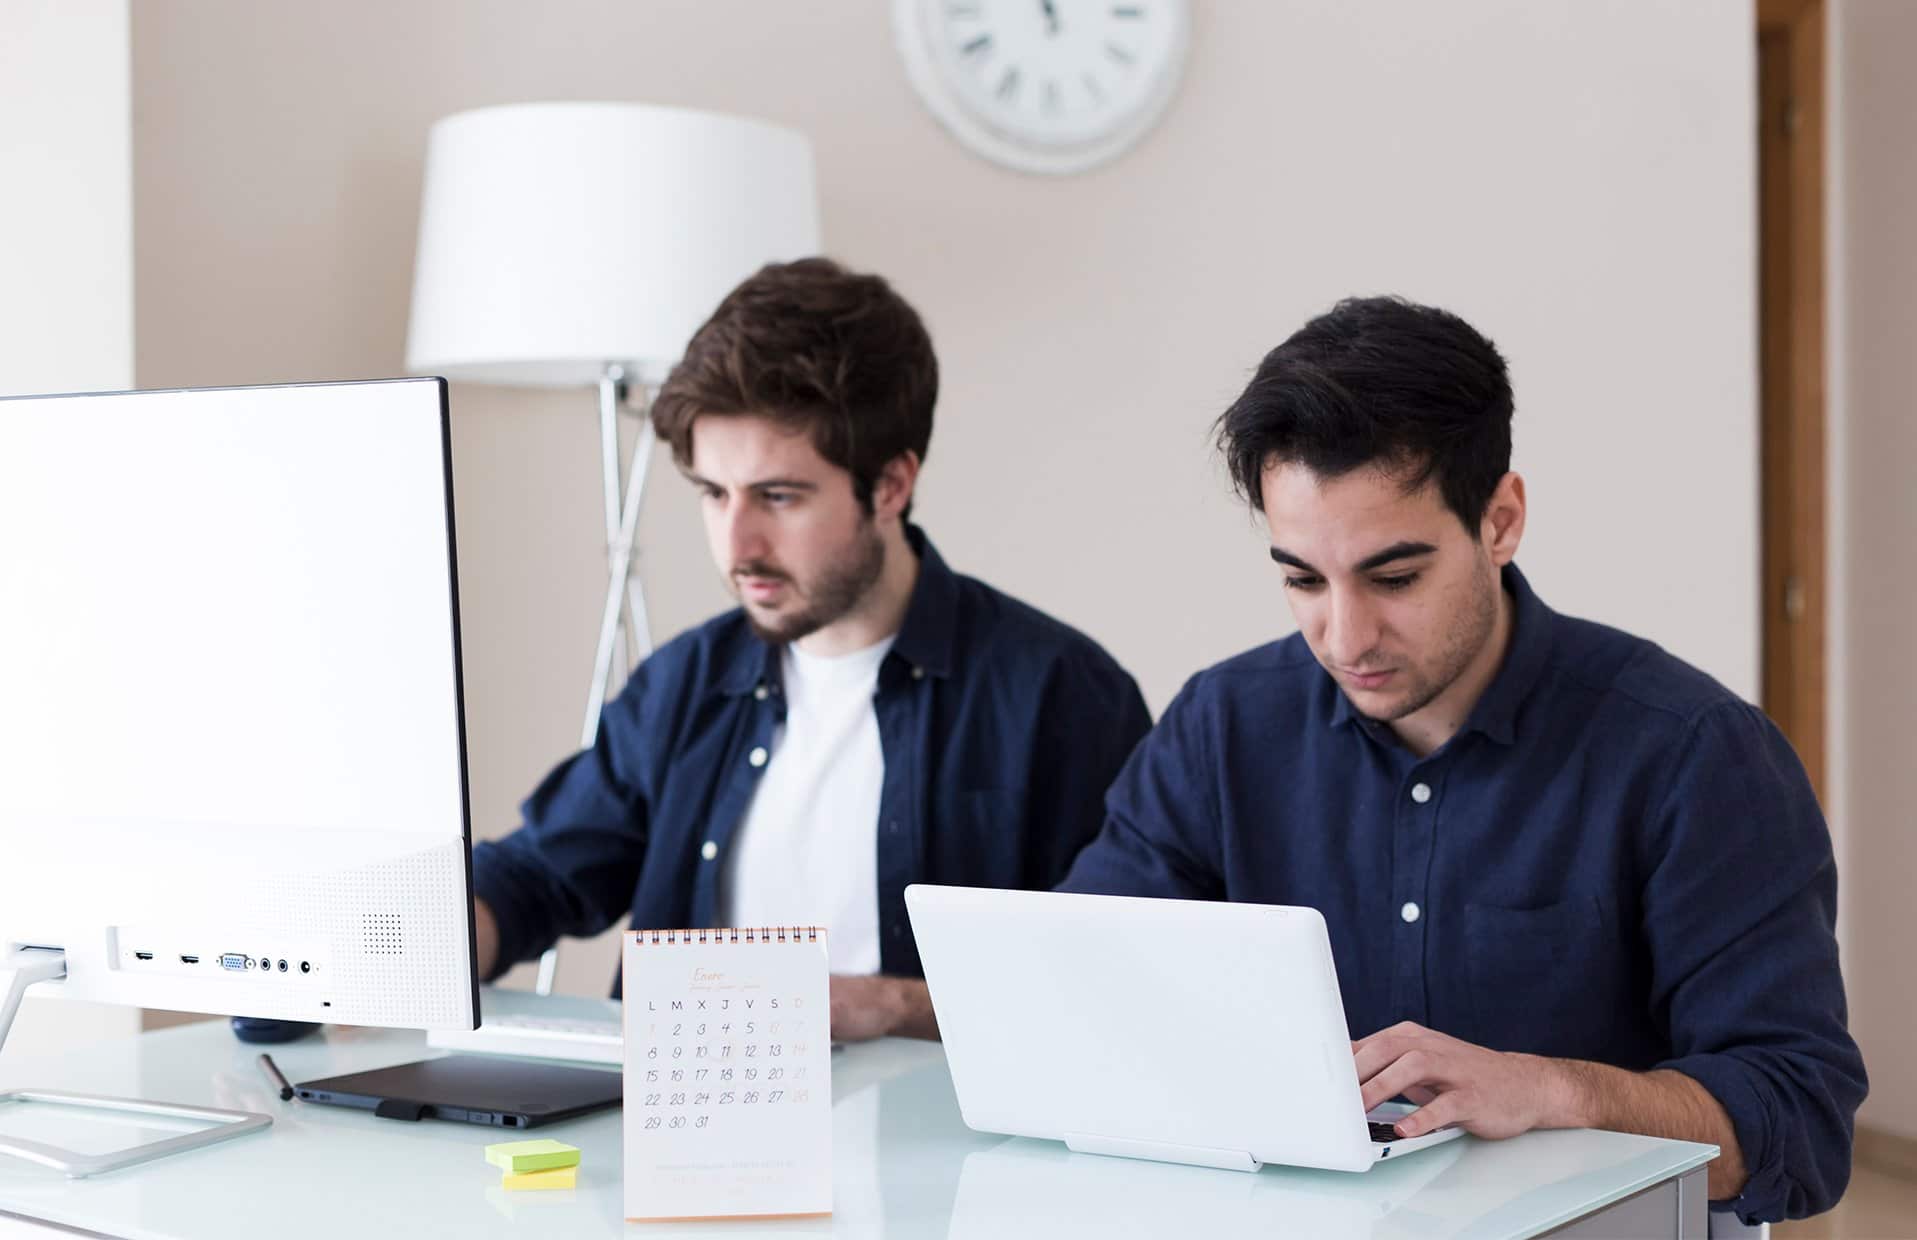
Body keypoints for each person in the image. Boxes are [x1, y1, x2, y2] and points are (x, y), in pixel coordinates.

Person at [1057, 296, 1866, 1226]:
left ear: (1501, 520)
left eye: (1394, 578)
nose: (1345, 635)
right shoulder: (1222, 725)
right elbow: (1087, 990)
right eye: (1301, 580)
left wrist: (1557, 1091)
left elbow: (1799, 1117)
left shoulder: (1693, 754)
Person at [470, 258, 1151, 1042]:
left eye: (778, 497)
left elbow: (1114, 979)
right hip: (679, 1136)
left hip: (948, 1155)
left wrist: (892, 1007)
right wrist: (393, 958)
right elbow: (532, 879)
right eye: (713, 494)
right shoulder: (682, 684)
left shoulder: (1061, 695)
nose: (738, 545)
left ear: (891, 485)